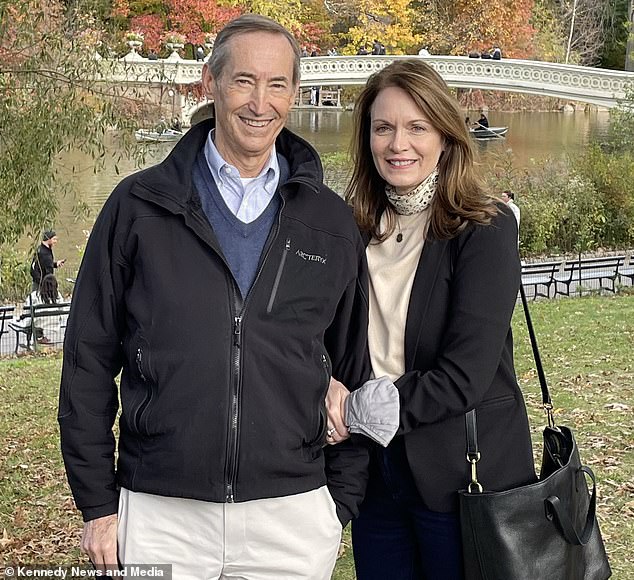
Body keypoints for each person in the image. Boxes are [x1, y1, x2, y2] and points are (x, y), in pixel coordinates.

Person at [58, 14, 371, 579]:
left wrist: (335, 505)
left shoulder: (328, 222)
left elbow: (354, 364)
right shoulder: (138, 207)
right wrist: (99, 505)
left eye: (277, 84)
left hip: (292, 516)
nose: (260, 102)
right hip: (160, 510)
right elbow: (87, 360)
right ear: (210, 83)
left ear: (295, 93)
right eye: (244, 80)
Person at [333, 59, 536, 579]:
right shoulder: (350, 227)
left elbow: (465, 375)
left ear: (445, 136)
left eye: (416, 127)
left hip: (462, 476)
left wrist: (356, 409)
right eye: (384, 128)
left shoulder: (483, 230)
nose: (399, 144)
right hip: (375, 473)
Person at [11, 273, 65, 345]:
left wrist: (21, 318)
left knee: (22, 319)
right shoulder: (58, 296)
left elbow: (27, 311)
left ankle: (34, 340)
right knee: (39, 319)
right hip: (54, 322)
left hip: (36, 323)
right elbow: (62, 310)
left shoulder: (35, 295)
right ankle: (40, 338)